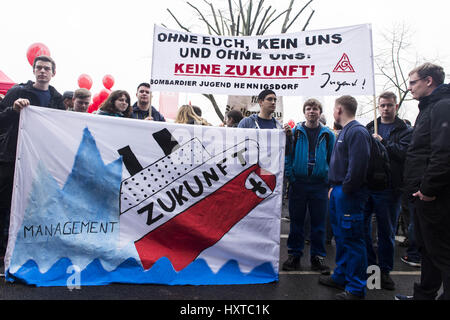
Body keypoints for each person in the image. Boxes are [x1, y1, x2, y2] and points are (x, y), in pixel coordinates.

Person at [0, 55, 64, 265]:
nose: (43, 71)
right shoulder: (17, 92)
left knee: (33, 203)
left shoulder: (57, 100)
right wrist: (14, 110)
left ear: (53, 73)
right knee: (5, 203)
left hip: (39, 161)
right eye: (39, 68)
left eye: (47, 68)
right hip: (11, 157)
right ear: (34, 70)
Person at [395, 63, 450, 300]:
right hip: (422, 196)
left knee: (442, 254)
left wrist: (427, 189)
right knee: (427, 250)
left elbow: (444, 153)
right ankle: (424, 295)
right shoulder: (429, 108)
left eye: (413, 82)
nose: (409, 88)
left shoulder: (442, 107)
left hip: (435, 197)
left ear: (429, 81)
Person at [318, 95, 371, 300]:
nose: (333, 112)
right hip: (340, 191)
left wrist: (346, 189)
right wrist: (335, 187)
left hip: (349, 194)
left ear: (339, 109)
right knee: (341, 237)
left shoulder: (356, 131)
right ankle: (341, 275)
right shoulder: (346, 131)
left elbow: (357, 167)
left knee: (353, 240)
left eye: (333, 109)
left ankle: (356, 288)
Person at [363, 91, 413, 290]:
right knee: (363, 229)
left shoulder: (405, 130)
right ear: (378, 106)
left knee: (386, 232)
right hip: (367, 188)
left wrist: (383, 143)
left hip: (390, 189)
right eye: (382, 105)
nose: (385, 109)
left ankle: (384, 271)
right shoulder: (368, 127)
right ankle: (369, 267)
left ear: (396, 106)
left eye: (389, 105)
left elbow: (404, 154)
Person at [283, 98, 335, 273]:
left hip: (320, 185)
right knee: (296, 222)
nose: (312, 111)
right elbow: (287, 156)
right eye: (308, 108)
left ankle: (317, 257)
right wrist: (291, 176)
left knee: (318, 223)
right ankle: (294, 255)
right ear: (304, 111)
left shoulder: (328, 134)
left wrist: (329, 180)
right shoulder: (295, 132)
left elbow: (332, 159)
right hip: (299, 184)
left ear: (320, 112)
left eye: (315, 109)